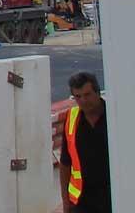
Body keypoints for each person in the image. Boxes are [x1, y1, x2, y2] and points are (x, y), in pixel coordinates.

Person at [59, 71, 110, 213]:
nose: (83, 101)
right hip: (82, 201)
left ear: (98, 92)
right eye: (78, 96)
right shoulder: (72, 118)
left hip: (112, 196)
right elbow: (65, 163)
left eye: (87, 95)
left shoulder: (113, 115)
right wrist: (66, 202)